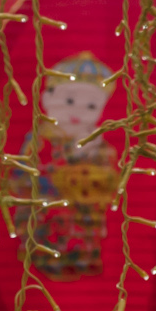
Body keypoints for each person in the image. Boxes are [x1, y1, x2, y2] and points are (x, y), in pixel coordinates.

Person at [9, 51, 118, 276]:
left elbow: (109, 178)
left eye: (90, 107)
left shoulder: (98, 142)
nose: (78, 112)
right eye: (68, 101)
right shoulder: (40, 138)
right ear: (47, 99)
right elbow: (24, 173)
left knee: (83, 231)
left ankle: (81, 260)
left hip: (83, 208)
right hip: (47, 206)